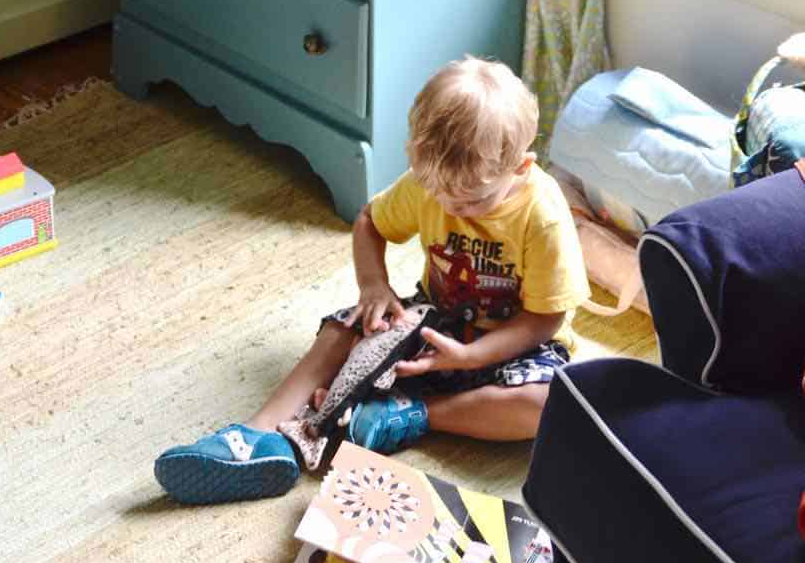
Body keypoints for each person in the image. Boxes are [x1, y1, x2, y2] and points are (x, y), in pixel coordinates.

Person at [154, 56, 590, 506]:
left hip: (516, 345)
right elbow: (370, 221)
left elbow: (545, 317)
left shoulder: (543, 217)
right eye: (438, 193)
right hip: (435, 326)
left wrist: (471, 356)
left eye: (471, 200)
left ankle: (411, 415)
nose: (451, 208)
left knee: (550, 406)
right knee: (342, 328)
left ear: (521, 167)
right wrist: (374, 287)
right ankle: (260, 436)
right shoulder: (432, 182)